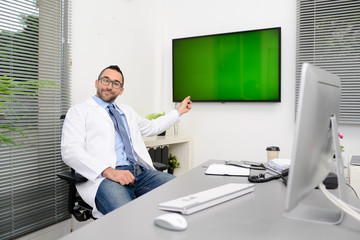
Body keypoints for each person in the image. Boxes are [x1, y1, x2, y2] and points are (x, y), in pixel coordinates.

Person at [61, 65, 192, 218]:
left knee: (185, 196)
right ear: (97, 83)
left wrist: (179, 112)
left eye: (116, 83)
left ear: (121, 90)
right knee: (129, 218)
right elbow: (70, 151)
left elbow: (151, 127)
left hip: (140, 174)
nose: (109, 86)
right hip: (105, 178)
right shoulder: (79, 111)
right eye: (106, 80)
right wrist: (110, 172)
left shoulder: (126, 111)